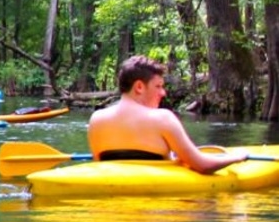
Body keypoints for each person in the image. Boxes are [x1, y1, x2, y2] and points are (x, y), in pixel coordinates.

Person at [87, 55, 246, 174]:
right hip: (157, 210)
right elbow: (202, 165)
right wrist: (235, 157)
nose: (163, 92)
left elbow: (98, 164)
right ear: (139, 87)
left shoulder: (97, 119)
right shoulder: (163, 118)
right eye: (158, 86)